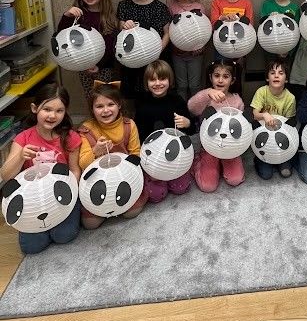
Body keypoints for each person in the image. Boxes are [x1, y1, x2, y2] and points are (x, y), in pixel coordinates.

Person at [0, 83, 81, 254]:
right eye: (47, 109)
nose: (52, 115)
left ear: (65, 112)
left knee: (64, 235)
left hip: (61, 194)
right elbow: (6, 174)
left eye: (59, 111)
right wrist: (20, 155)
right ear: (34, 108)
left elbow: (74, 170)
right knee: (31, 246)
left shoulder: (70, 137)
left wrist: (72, 194)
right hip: (34, 198)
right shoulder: (23, 138)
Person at [78, 81, 148, 227]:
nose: (105, 111)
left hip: (124, 178)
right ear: (92, 109)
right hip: (98, 182)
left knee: (131, 212)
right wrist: (96, 152)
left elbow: (136, 154)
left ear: (119, 105)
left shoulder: (129, 125)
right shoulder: (86, 129)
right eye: (99, 106)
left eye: (110, 104)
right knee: (90, 223)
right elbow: (83, 164)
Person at [134, 60, 196, 199]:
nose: (157, 83)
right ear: (146, 82)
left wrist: (187, 123)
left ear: (170, 80)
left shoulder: (177, 100)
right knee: (156, 195)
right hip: (153, 155)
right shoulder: (141, 103)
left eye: (162, 78)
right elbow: (138, 135)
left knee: (181, 188)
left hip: (176, 152)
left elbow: (191, 131)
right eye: (152, 80)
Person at [57, 0, 118, 99]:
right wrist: (67, 16)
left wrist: (99, 65)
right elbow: (62, 37)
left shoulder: (108, 16)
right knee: (90, 98)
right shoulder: (77, 15)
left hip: (105, 68)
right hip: (83, 67)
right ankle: (93, 118)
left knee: (106, 98)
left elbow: (111, 45)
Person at [188, 60, 246, 192]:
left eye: (225, 76)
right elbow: (191, 107)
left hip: (230, 147)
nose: (220, 80)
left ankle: (225, 165)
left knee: (235, 179)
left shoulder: (237, 100)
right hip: (209, 146)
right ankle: (198, 162)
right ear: (210, 77)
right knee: (208, 186)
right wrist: (207, 92)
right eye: (216, 75)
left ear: (232, 80)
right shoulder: (206, 97)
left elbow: (242, 127)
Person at [116, 0, 171, 103]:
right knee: (133, 95)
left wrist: (157, 51)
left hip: (154, 60)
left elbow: (167, 33)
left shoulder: (159, 7)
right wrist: (124, 25)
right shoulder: (124, 6)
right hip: (131, 61)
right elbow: (120, 28)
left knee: (153, 93)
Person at [251, 58, 297, 179]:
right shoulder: (262, 91)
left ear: (286, 79)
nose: (276, 76)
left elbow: (290, 123)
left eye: (281, 73)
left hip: (280, 134)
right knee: (266, 175)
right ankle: (260, 159)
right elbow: (255, 114)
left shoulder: (290, 97)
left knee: (285, 172)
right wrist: (265, 115)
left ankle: (282, 160)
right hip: (262, 133)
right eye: (272, 73)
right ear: (267, 78)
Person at [168, 0, 207, 99]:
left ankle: (196, 115)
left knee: (195, 85)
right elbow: (169, 30)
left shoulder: (199, 7)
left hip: (196, 54)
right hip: (177, 54)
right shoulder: (171, 7)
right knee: (181, 86)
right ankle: (182, 113)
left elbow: (204, 29)